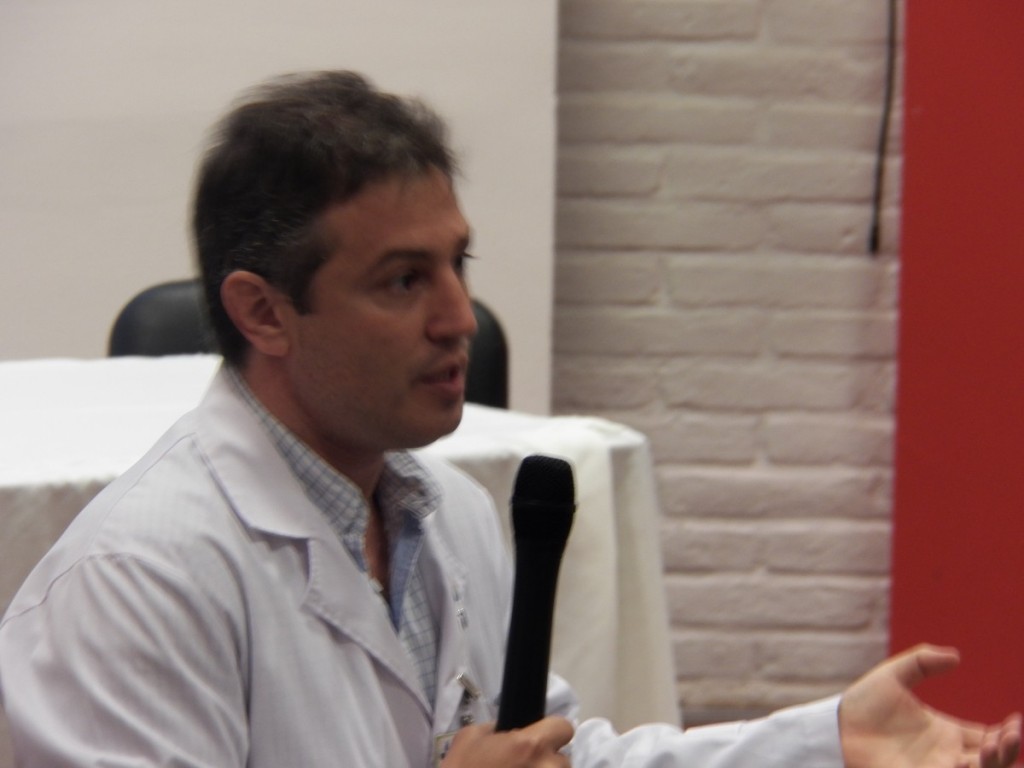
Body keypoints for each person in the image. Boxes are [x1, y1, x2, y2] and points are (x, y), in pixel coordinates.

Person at [0, 70, 1018, 768]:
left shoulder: (441, 511)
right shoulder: (133, 583)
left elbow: (554, 755)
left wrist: (826, 742)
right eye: (403, 280)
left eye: (458, 264)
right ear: (263, 312)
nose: (460, 318)